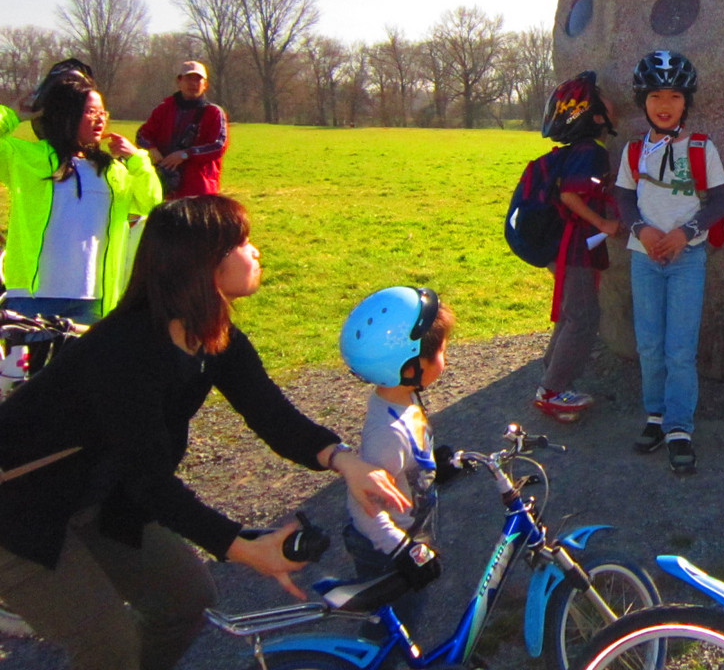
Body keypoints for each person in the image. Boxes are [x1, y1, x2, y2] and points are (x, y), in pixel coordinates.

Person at [0, 195, 410, 670]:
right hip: (20, 512)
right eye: (243, 243)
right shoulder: (124, 351)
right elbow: (149, 480)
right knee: (108, 646)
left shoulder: (213, 335)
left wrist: (345, 460)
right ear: (205, 264)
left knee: (185, 599)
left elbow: (272, 416)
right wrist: (243, 546)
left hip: (104, 498)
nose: (256, 252)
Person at [614, 51, 724, 475]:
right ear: (643, 101)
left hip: (687, 257)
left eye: (675, 96)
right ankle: (655, 416)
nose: (665, 104)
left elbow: (720, 198)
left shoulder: (701, 147)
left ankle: (680, 426)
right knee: (648, 342)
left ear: (687, 102)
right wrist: (641, 230)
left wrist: (685, 233)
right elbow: (624, 197)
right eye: (656, 95)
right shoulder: (633, 150)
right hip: (644, 257)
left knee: (680, 347)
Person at [1, 63, 163, 324]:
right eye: (90, 111)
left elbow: (151, 204)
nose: (100, 119)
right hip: (30, 298)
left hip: (92, 302)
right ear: (66, 115)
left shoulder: (113, 172)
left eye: (103, 112)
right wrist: (15, 115)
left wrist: (137, 161)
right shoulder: (28, 159)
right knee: (29, 368)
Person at [340, 286, 455, 634]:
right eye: (441, 351)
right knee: (391, 631)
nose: (445, 358)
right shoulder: (387, 434)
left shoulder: (402, 402)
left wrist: (435, 466)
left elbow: (408, 460)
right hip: (386, 551)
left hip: (406, 533)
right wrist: (404, 551)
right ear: (413, 366)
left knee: (407, 618)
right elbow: (364, 508)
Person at [533, 71, 621, 422]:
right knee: (584, 317)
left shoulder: (576, 152)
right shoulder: (591, 152)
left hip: (565, 247)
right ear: (595, 113)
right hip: (576, 248)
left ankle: (552, 370)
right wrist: (603, 224)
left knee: (572, 313)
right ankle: (554, 391)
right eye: (604, 97)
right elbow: (570, 194)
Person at [136, 60, 228, 199]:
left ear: (205, 85)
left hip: (199, 190)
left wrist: (185, 154)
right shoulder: (163, 109)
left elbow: (218, 146)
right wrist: (151, 149)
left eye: (198, 80)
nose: (193, 84)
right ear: (179, 82)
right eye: (188, 79)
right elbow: (142, 136)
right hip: (166, 188)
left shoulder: (214, 113)